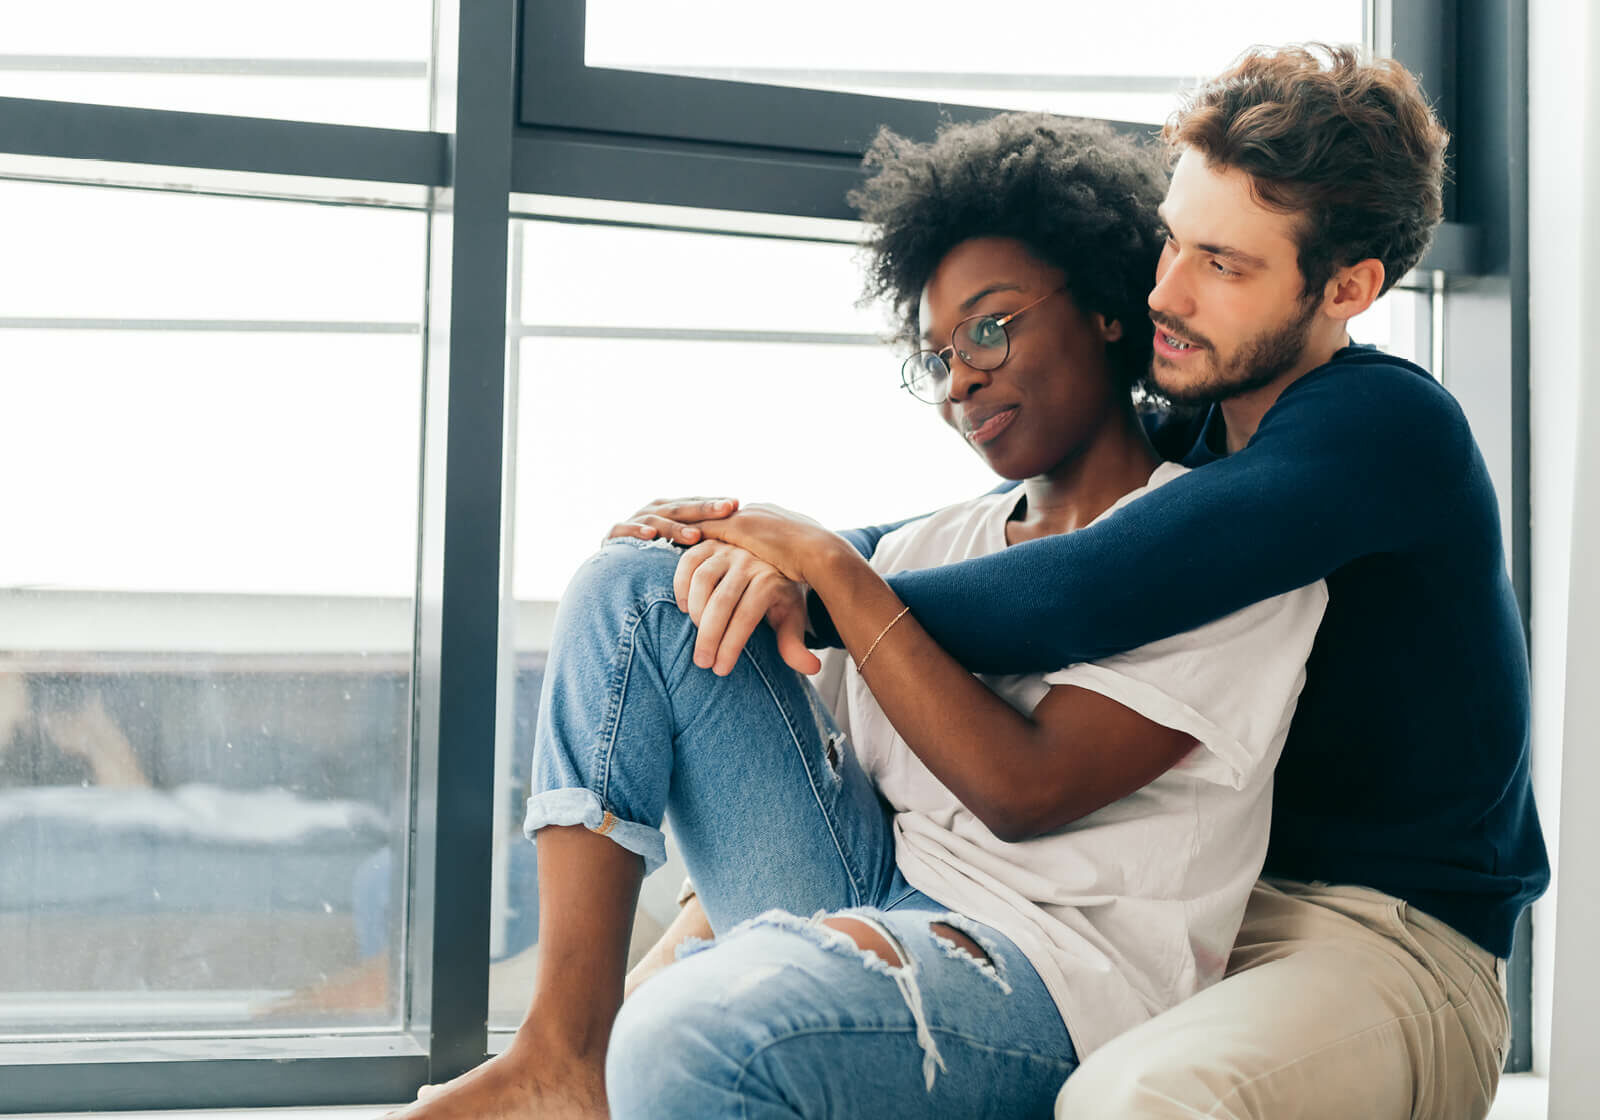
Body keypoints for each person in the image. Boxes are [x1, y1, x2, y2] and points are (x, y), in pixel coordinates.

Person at [635, 44, 1548, 1120]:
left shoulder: (1381, 431)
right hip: (1188, 914)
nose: (1164, 289)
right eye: (1171, 241)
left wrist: (829, 580)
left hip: (1384, 945)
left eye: (1223, 263)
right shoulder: (1195, 432)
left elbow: (1071, 592)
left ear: (1346, 286)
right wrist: (772, 550)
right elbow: (952, 546)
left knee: (1131, 1100)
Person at [388, 114, 1327, 1120]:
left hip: (1047, 980)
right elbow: (793, 769)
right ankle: (559, 1054)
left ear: (1104, 309)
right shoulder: (930, 548)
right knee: (638, 581)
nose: (959, 377)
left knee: (689, 1038)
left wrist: (835, 568)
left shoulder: (1222, 554)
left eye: (989, 327)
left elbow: (1026, 792)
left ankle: (640, 1046)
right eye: (937, 357)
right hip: (865, 895)